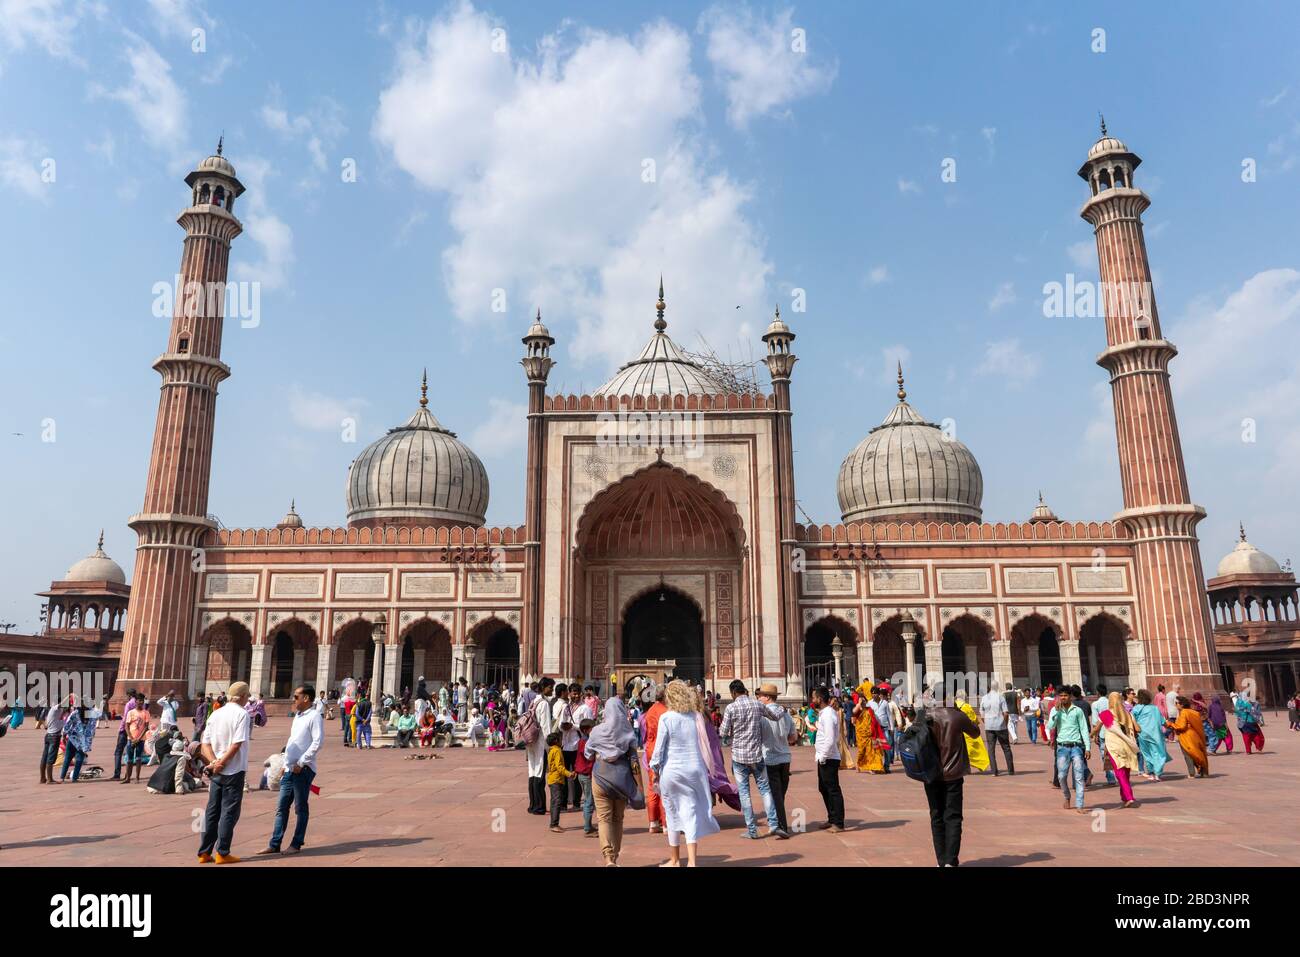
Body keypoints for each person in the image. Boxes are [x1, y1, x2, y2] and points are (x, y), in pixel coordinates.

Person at [650, 680, 721, 866]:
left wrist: (654, 768)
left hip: (672, 770)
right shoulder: (695, 716)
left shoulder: (667, 717)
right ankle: (691, 862)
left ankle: (674, 860)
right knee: (690, 813)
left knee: (672, 813)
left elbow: (659, 749)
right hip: (695, 769)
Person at [257, 684, 324, 856]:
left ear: (306, 698)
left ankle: (296, 843)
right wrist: (286, 765)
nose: (293, 699)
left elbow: (317, 742)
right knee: (281, 807)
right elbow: (293, 740)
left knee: (300, 808)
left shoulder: (314, 716)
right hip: (289, 770)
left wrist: (301, 763)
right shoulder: (298, 716)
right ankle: (275, 843)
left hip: (303, 770)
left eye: (296, 696)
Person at [917, 703, 981, 866]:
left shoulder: (925, 715)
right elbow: (975, 733)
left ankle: (941, 860)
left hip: (931, 774)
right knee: (953, 817)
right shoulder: (957, 716)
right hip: (953, 773)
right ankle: (950, 861)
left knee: (936, 815)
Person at [197, 681, 253, 864]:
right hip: (234, 770)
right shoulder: (242, 714)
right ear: (243, 696)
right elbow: (237, 744)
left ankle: (204, 853)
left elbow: (204, 744)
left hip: (216, 771)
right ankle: (222, 852)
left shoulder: (216, 713)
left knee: (212, 811)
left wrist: (214, 762)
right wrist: (222, 763)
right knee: (229, 812)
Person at [718, 679, 781, 839]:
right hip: (756, 755)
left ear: (733, 693)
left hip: (739, 757)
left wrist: (732, 731)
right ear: (744, 690)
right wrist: (784, 710)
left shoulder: (731, 708)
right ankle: (773, 824)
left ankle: (752, 830)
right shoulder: (757, 705)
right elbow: (774, 716)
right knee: (765, 789)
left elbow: (723, 732)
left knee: (744, 793)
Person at [585, 693, 639, 866]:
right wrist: (640, 787)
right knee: (618, 819)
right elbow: (634, 758)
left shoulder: (596, 731)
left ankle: (608, 859)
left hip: (601, 776)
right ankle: (614, 856)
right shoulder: (628, 730)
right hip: (622, 778)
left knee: (604, 818)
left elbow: (587, 754)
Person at [757, 683, 794, 839]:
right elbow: (793, 737)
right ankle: (777, 821)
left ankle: (781, 826)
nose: (758, 698)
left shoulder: (762, 715)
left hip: (770, 757)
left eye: (760, 696)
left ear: (767, 697)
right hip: (785, 757)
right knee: (780, 793)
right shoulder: (786, 714)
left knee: (775, 794)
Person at [1093, 691, 1140, 808]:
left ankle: (1129, 797)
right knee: (1125, 773)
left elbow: (1097, 729)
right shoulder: (1127, 714)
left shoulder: (1106, 714)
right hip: (1128, 746)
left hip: (1114, 747)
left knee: (1119, 773)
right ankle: (1125, 797)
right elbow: (1138, 729)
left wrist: (1090, 735)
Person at [1047, 686, 1091, 813]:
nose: (1063, 698)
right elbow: (1050, 726)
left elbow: (1083, 729)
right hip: (1062, 747)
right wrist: (1055, 712)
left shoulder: (1077, 711)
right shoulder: (1056, 711)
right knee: (1061, 776)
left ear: (1070, 696)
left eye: (1065, 695)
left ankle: (1080, 805)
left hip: (1076, 747)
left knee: (1078, 776)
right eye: (1061, 696)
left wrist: (1087, 747)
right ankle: (1067, 796)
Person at [811, 686, 845, 832]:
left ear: (820, 698)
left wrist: (823, 756)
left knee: (833, 790)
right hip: (823, 756)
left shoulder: (828, 714)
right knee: (823, 788)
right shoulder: (824, 713)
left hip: (829, 757)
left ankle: (838, 822)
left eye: (814, 697)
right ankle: (832, 818)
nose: (812, 700)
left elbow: (831, 739)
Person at [526, 678, 556, 815]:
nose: (552, 690)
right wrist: (550, 745)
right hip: (540, 743)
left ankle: (533, 805)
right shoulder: (543, 703)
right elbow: (546, 726)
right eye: (550, 688)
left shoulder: (534, 701)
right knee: (539, 772)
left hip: (530, 741)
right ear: (544, 687)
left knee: (532, 771)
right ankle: (539, 806)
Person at [641, 684, 668, 834]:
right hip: (663, 751)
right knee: (665, 788)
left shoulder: (650, 711)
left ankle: (653, 822)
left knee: (653, 787)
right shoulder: (666, 711)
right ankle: (666, 824)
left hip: (650, 750)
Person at [58, 697, 105, 782]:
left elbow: (67, 725)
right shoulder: (92, 713)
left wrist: (64, 736)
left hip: (73, 738)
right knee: (79, 760)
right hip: (83, 741)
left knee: (68, 758)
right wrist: (101, 702)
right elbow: (100, 713)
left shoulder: (76, 713)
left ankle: (62, 777)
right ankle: (74, 778)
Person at [1131, 689, 1170, 781]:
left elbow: (1132, 720)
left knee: (1147, 754)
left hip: (1142, 734)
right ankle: (1157, 773)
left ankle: (1151, 773)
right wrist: (1172, 727)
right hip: (1155, 735)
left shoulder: (1136, 708)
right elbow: (1163, 721)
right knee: (1158, 753)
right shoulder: (1154, 708)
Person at [1167, 696, 1210, 778]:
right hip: (1194, 735)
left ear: (1182, 705)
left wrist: (1169, 724)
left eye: (1177, 703)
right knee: (1197, 753)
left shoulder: (1184, 712)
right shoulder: (1192, 712)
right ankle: (1203, 772)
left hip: (1186, 736)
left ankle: (1191, 773)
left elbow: (1181, 726)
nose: (1176, 705)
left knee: (1188, 755)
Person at [979, 684, 1014, 776]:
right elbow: (1006, 713)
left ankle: (994, 771)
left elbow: (982, 714)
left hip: (989, 726)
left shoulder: (984, 698)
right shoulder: (1000, 697)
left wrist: (986, 722)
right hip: (1000, 726)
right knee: (1006, 748)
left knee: (991, 749)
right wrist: (1005, 724)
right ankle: (1010, 770)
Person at [851, 682, 887, 773]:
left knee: (872, 751)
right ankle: (859, 764)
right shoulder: (857, 709)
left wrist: (875, 731)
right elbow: (853, 715)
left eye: (864, 701)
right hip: (861, 735)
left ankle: (872, 767)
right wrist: (858, 704)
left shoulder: (869, 709)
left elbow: (874, 721)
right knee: (862, 752)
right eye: (861, 701)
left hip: (870, 734)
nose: (863, 702)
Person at [953, 691, 990, 773]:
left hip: (956, 732)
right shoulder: (966, 706)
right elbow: (973, 719)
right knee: (973, 751)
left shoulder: (953, 706)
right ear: (964, 697)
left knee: (960, 751)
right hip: (967, 733)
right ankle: (979, 765)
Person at [545, 731, 574, 832]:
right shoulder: (557, 751)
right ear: (556, 741)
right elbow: (559, 767)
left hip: (552, 779)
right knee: (556, 802)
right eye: (560, 739)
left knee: (554, 802)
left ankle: (553, 823)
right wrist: (569, 774)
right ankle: (554, 824)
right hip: (556, 779)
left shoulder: (551, 750)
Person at [120, 696, 151, 784]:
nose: (140, 702)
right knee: (129, 760)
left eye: (142, 701)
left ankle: (137, 778)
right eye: (139, 700)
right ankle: (128, 778)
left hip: (140, 739)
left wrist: (138, 738)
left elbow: (146, 727)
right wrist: (131, 738)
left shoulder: (146, 713)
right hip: (131, 739)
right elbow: (127, 726)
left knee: (138, 759)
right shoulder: (131, 712)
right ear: (136, 702)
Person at [575, 718, 598, 837]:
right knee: (589, 801)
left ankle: (588, 825)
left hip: (581, 773)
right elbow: (588, 757)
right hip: (586, 774)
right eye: (591, 728)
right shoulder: (585, 742)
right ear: (585, 730)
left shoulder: (582, 741)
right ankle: (587, 827)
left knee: (588, 800)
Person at [40, 696, 69, 784]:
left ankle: (42, 778)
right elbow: (62, 705)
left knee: (45, 758)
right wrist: (69, 696)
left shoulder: (57, 712)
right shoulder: (54, 709)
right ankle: (49, 779)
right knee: (50, 758)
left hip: (49, 736)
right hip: (54, 737)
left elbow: (63, 713)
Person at [112, 689, 138, 780]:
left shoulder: (129, 704)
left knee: (118, 751)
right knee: (131, 753)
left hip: (125, 730)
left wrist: (121, 729)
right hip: (135, 730)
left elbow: (126, 718)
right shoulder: (139, 703)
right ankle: (130, 775)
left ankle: (117, 774)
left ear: (129, 695)